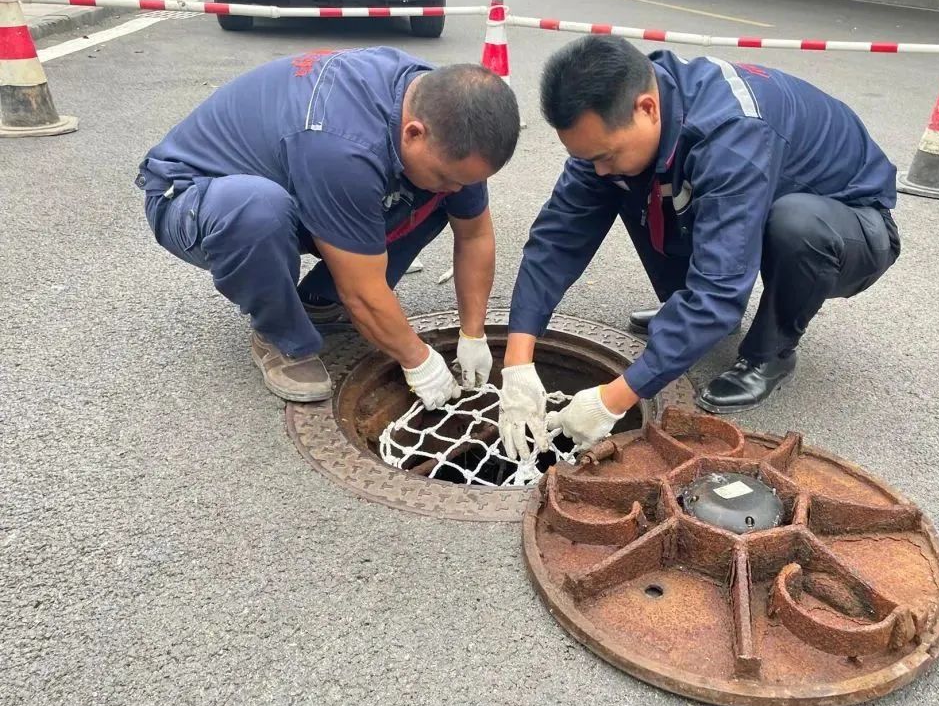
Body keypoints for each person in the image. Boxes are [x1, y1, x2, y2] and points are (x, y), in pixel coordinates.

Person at [497, 35, 900, 458]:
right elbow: (557, 238)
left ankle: (771, 353)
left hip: (851, 224)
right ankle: (692, 320)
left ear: (647, 108)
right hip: (756, 198)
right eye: (587, 157)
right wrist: (518, 362)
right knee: (630, 181)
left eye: (604, 155)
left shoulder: (730, 134)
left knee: (794, 226)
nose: (597, 167)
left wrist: (612, 399)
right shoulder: (617, 128)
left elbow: (720, 288)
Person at [137, 47, 520, 406]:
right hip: (195, 198)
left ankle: (319, 300)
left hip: (301, 185)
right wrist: (419, 361)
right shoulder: (343, 147)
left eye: (465, 181)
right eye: (447, 175)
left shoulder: (449, 120)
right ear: (413, 132)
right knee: (259, 211)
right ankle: (280, 336)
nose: (456, 187)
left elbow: (474, 234)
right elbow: (363, 290)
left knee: (435, 195)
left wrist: (473, 333)